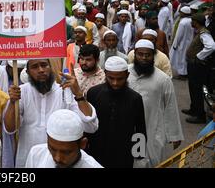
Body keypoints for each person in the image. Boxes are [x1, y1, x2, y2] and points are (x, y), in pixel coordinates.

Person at [3, 59, 98, 167]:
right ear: (27, 72)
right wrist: (12, 102)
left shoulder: (65, 92)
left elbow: (91, 127)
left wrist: (78, 94)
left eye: (44, 65)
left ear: (51, 68)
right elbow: (10, 129)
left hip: (61, 160)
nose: (41, 70)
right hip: (28, 158)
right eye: (35, 67)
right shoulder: (21, 92)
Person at [127, 39, 183, 167]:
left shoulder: (163, 79)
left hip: (152, 128)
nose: (144, 58)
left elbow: (170, 106)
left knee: (149, 161)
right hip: (127, 126)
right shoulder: (125, 73)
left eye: (148, 55)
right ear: (135, 54)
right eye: (140, 54)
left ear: (153, 56)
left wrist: (174, 135)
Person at [86, 56, 147, 168]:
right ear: (105, 74)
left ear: (127, 76)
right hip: (96, 153)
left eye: (120, 79)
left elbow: (140, 128)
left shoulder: (135, 98)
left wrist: (139, 156)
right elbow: (87, 124)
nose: (115, 83)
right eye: (111, 78)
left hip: (123, 155)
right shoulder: (93, 93)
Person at [25, 109, 102, 168]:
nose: (58, 158)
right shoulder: (36, 154)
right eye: (52, 149)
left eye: (66, 152)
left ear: (83, 144)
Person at [183, 13, 215, 124]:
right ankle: (194, 109)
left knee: (197, 89)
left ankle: (199, 115)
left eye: (192, 21)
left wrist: (199, 56)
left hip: (197, 66)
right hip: (193, 64)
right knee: (192, 87)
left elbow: (211, 46)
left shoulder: (204, 33)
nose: (191, 23)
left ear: (196, 22)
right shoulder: (199, 32)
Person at [170, 6, 193, 77]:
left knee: (181, 59)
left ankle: (182, 74)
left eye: (181, 12)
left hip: (182, 43)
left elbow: (179, 35)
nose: (180, 13)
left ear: (184, 13)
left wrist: (175, 44)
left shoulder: (182, 22)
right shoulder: (191, 20)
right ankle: (185, 72)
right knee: (185, 58)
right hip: (189, 42)